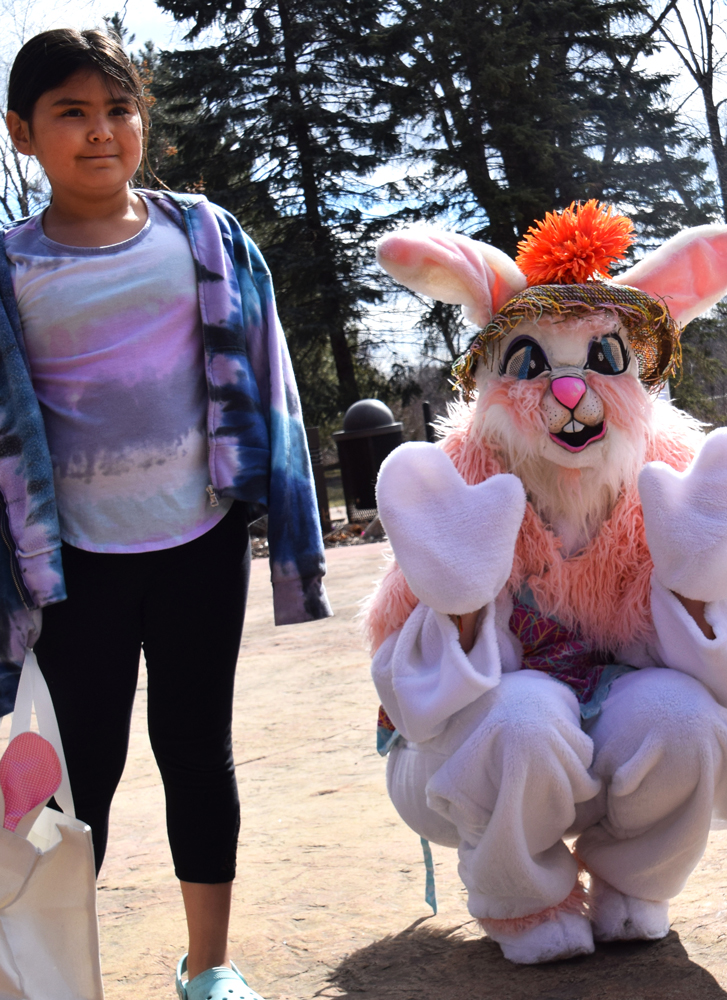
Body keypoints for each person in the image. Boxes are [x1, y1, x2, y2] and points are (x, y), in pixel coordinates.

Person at [0, 27, 332, 1000]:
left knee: (196, 746)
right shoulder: (10, 268)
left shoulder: (204, 237)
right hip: (73, 564)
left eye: (118, 109)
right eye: (71, 112)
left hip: (198, 539)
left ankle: (210, 965)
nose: (101, 132)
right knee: (74, 770)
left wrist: (287, 517)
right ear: (22, 133)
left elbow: (269, 385)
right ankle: (47, 970)